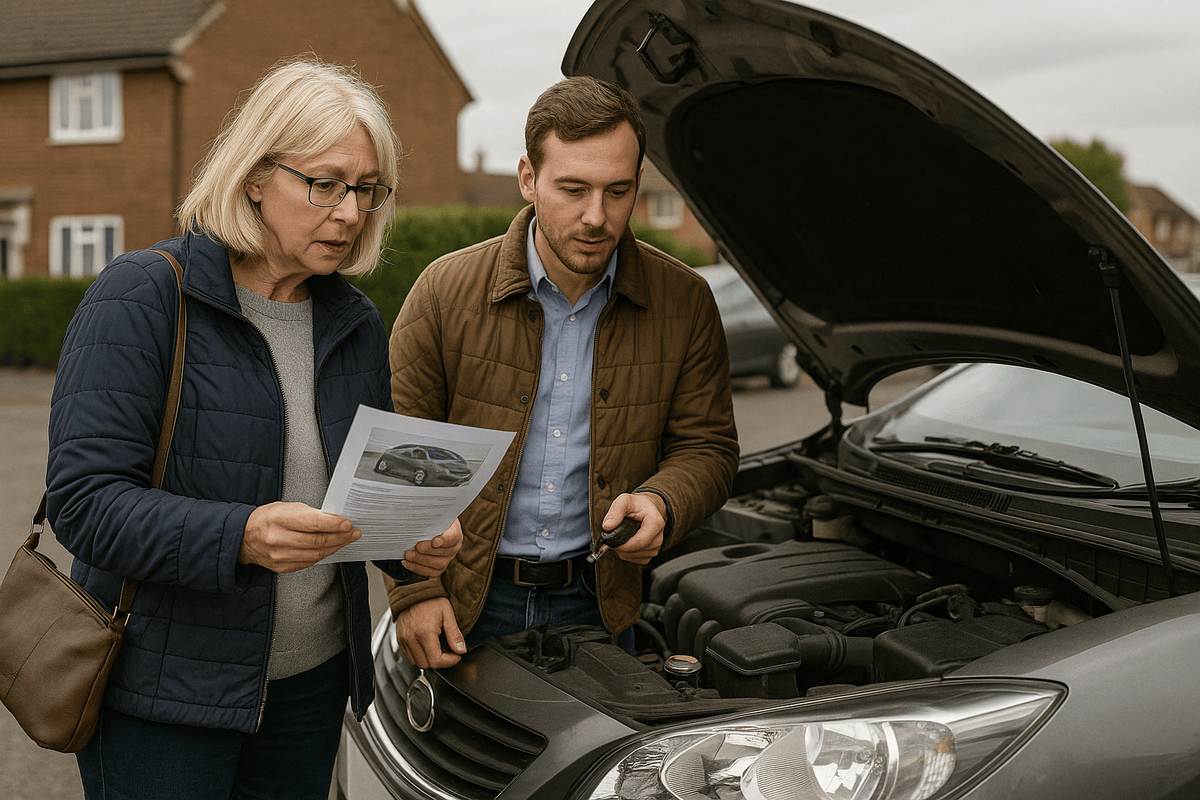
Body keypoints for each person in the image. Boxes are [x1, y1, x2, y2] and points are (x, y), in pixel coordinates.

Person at [44, 56, 461, 800]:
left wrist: (414, 546)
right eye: (325, 183)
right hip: (163, 700)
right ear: (255, 175)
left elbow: (359, 499)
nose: (349, 211)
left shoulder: (354, 322)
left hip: (307, 692)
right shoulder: (143, 296)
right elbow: (85, 504)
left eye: (366, 189)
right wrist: (240, 535)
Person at [386, 76, 739, 670]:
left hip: (603, 601)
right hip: (468, 598)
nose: (596, 217)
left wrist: (662, 501)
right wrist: (413, 592)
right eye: (572, 189)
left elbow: (708, 448)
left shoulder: (687, 302)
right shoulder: (443, 294)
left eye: (618, 191)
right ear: (528, 177)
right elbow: (399, 456)